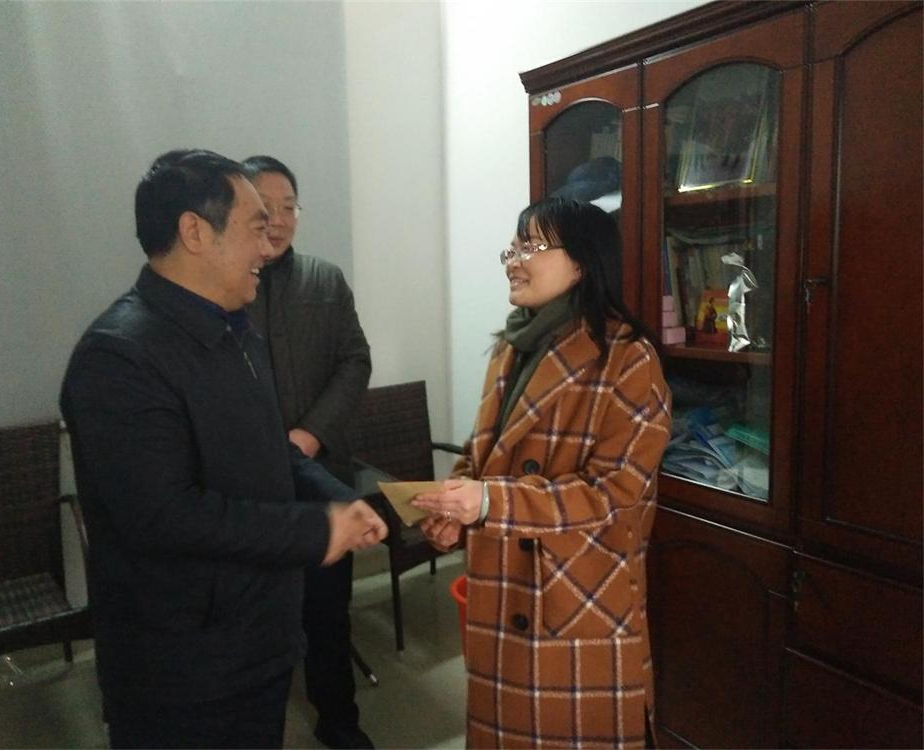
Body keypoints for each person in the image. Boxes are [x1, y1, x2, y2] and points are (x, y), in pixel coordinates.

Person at [59, 149, 387, 749]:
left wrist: (340, 500)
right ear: (195, 232)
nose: (269, 244)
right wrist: (315, 530)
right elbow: (165, 516)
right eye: (256, 227)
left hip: (257, 640)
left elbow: (272, 451)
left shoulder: (235, 331)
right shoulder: (119, 357)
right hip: (183, 667)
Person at [413, 197, 672, 748]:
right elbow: (481, 452)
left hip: (575, 596)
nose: (513, 260)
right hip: (505, 583)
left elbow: (614, 494)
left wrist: (489, 503)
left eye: (530, 246)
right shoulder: (511, 347)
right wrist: (456, 509)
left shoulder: (628, 359)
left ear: (581, 263)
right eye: (512, 248)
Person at [240, 155, 374, 750]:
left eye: (288, 206)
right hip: (249, 488)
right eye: (264, 208)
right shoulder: (223, 286)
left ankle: (339, 721)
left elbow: (355, 361)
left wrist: (311, 434)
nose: (278, 219)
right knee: (256, 615)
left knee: (327, 611)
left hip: (321, 476)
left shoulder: (325, 280)